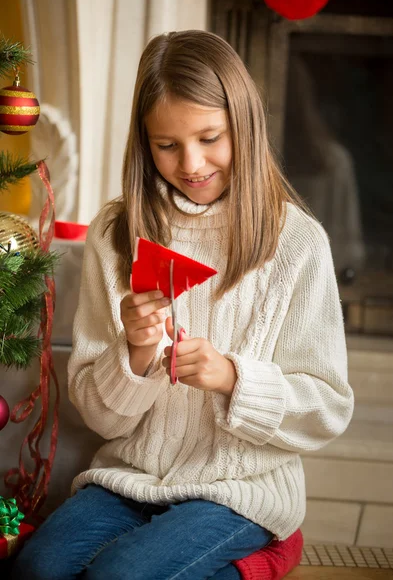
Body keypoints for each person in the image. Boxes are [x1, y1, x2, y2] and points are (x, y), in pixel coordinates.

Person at [11, 29, 354, 580]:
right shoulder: (116, 231)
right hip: (132, 474)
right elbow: (98, 416)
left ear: (243, 126)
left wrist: (232, 379)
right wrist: (136, 355)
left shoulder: (296, 241)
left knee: (119, 576)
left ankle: (264, 551)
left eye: (210, 138)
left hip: (239, 488)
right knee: (37, 569)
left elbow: (327, 409)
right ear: (144, 142)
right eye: (167, 145)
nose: (191, 163)